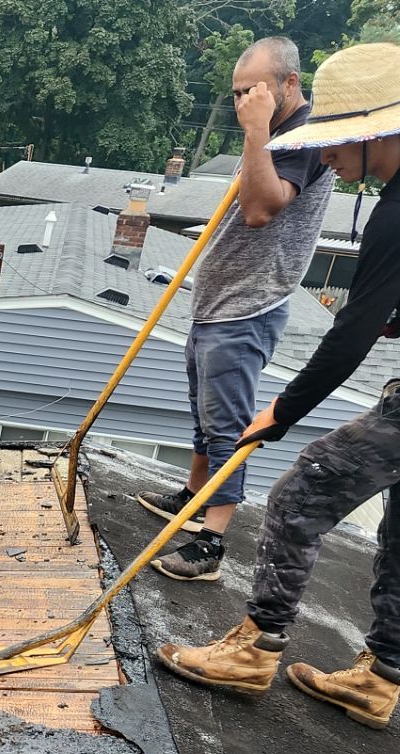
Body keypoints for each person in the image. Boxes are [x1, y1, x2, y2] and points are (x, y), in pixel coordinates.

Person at [158, 43, 400, 730]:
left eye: (336, 145)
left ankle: (255, 649)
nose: (326, 158)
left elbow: (349, 340)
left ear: (372, 133)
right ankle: (380, 678)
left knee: (300, 495)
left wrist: (279, 411)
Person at [139, 36, 335, 583]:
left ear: (290, 84)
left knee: (227, 424)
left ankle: (211, 546)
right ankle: (194, 496)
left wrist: (255, 131)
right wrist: (258, 130)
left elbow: (260, 209)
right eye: (236, 93)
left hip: (248, 306)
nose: (242, 101)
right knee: (206, 416)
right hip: (218, 303)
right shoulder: (274, 134)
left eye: (254, 90)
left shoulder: (304, 139)